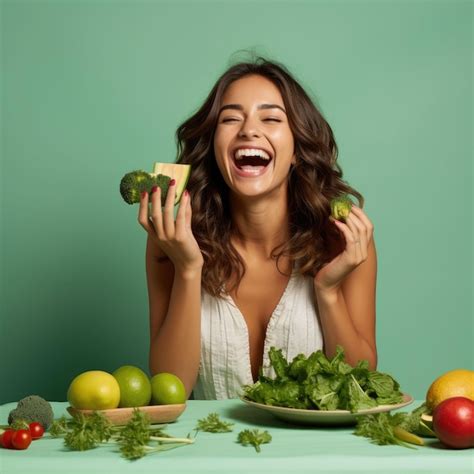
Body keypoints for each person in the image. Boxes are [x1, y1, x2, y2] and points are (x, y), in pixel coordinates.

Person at [138, 57, 377, 400]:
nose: (249, 130)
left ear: (297, 149)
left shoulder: (342, 242)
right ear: (214, 148)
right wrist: (189, 269)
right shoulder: (172, 240)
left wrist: (328, 291)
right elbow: (171, 387)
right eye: (231, 118)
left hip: (315, 452)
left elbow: (360, 385)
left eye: (271, 118)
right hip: (206, 451)